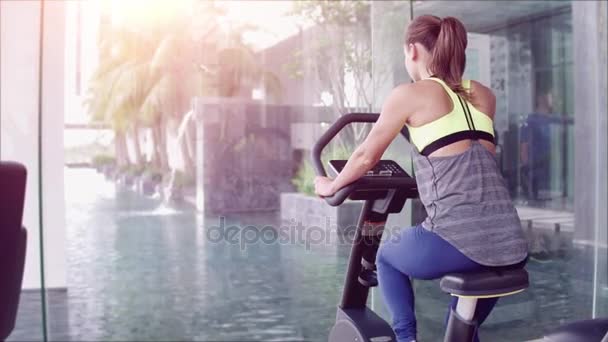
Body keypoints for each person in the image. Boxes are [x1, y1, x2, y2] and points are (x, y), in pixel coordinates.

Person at [314, 15, 528, 342]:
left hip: (459, 238)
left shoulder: (410, 95)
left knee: (385, 257)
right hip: (510, 242)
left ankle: (405, 338)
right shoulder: (484, 96)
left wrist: (330, 185)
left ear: (412, 50)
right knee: (461, 327)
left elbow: (365, 157)